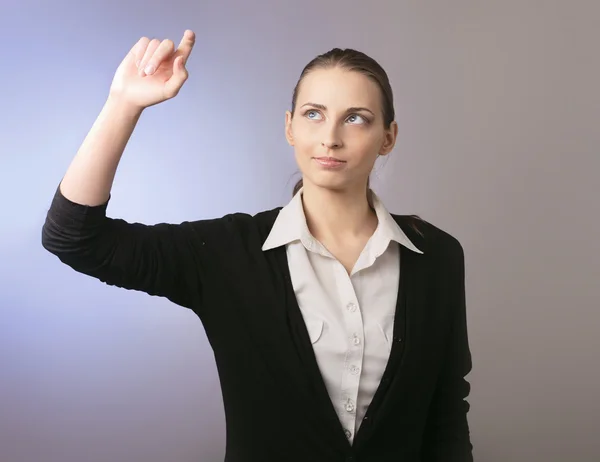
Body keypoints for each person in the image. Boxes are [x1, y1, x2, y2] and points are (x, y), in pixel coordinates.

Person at [41, 30, 474, 462]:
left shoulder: (435, 257)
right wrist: (124, 105)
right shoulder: (226, 255)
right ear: (289, 127)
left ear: (388, 137)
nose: (330, 138)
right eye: (313, 114)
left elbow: (446, 414)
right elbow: (75, 237)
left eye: (356, 117)